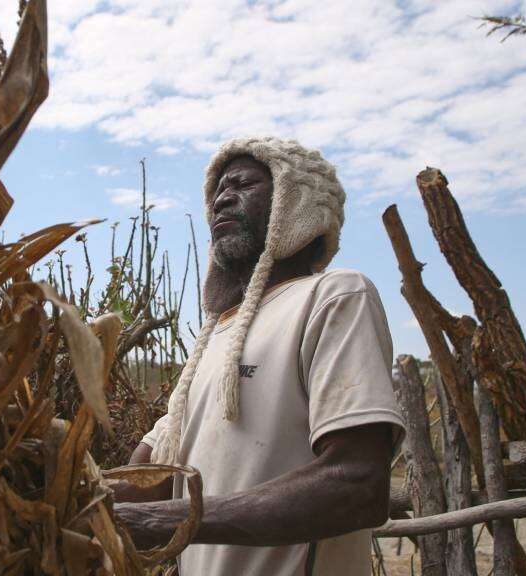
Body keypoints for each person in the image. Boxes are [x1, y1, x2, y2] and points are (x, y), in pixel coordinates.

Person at [114, 137, 406, 575]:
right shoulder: (214, 340)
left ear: (298, 203)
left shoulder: (332, 297)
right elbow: (145, 482)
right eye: (217, 191)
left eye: (244, 184)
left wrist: (164, 521)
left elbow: (357, 484)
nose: (222, 199)